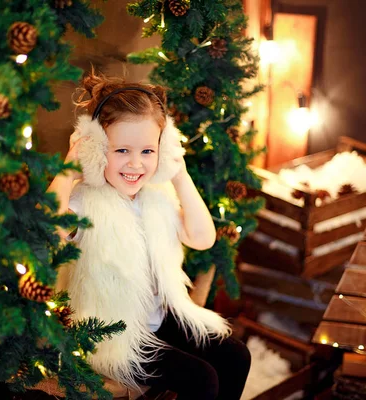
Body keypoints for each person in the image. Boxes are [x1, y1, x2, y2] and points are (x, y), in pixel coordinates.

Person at [49, 72, 251, 400]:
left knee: (236, 356)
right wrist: (69, 168)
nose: (135, 164)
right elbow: (50, 226)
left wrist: (180, 175)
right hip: (110, 333)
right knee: (202, 380)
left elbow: (203, 238)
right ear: (97, 149)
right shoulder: (86, 201)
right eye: (121, 150)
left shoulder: (156, 196)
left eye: (147, 151)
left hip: (157, 319)